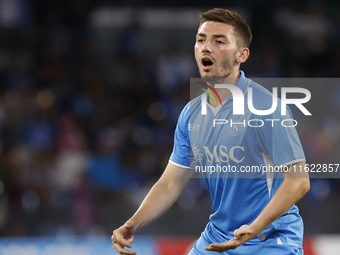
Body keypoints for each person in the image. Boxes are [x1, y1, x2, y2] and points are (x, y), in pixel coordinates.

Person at [111, 8, 310, 255]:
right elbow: (172, 182)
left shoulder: (266, 108)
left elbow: (299, 181)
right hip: (217, 237)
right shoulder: (191, 113)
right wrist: (133, 223)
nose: (206, 47)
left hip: (268, 239)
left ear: (242, 55)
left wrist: (253, 227)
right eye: (201, 39)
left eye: (219, 41)